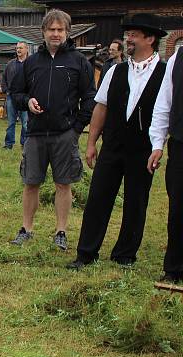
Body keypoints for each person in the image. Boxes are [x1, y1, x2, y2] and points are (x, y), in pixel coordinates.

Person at [68, 14, 166, 271]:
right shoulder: (116, 71)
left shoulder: (165, 73)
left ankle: (125, 254)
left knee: (136, 201)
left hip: (142, 148)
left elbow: (166, 111)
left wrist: (159, 145)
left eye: (133, 35)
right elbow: (101, 107)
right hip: (112, 145)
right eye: (128, 35)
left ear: (150, 38)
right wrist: (91, 142)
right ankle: (86, 253)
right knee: (98, 197)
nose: (128, 39)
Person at [9, 9, 96, 250]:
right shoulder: (31, 63)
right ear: (43, 32)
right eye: (51, 29)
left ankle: (61, 231)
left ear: (68, 33)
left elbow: (90, 98)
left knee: (63, 184)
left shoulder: (79, 62)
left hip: (64, 133)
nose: (55, 34)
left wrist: (76, 128)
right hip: (35, 133)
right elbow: (16, 93)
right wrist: (27, 102)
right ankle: (26, 228)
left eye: (60, 30)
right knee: (31, 182)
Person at [148, 38, 183, 284]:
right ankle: (174, 268)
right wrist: (157, 144)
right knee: (178, 206)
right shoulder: (176, 59)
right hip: (181, 143)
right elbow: (164, 103)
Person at [2, 41, 29, 150]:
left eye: (21, 48)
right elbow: (4, 78)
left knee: (25, 123)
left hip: (25, 97)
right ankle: (9, 144)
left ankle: (25, 144)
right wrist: (6, 90)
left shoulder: (31, 63)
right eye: (17, 48)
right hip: (12, 96)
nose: (18, 50)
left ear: (26, 49)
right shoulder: (10, 64)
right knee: (11, 122)